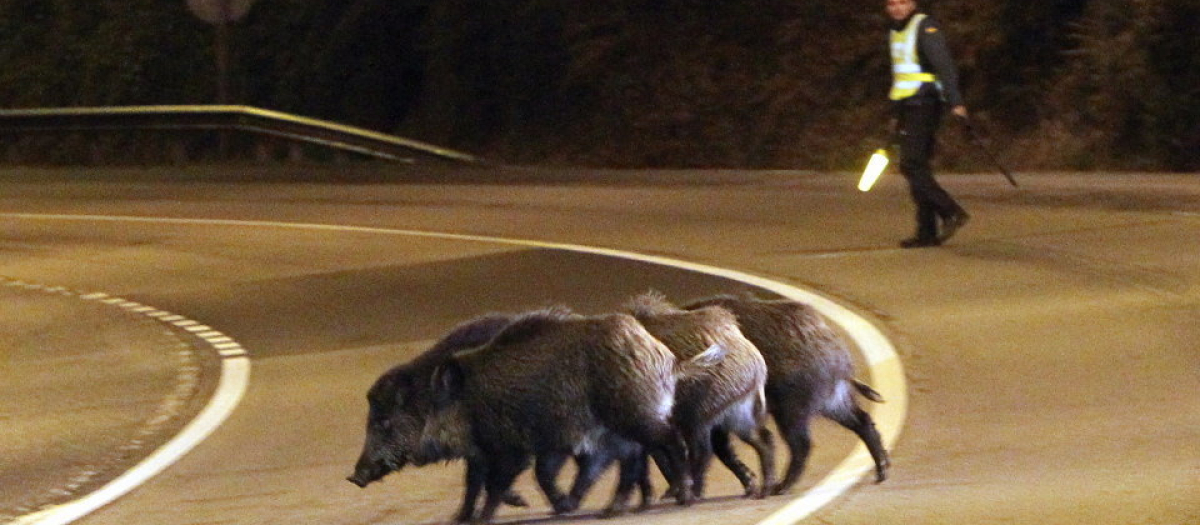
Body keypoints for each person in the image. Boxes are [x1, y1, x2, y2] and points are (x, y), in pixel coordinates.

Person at [885, 0, 970, 248]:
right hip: (906, 104)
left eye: (902, 2)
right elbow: (901, 74)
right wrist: (895, 114)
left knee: (911, 163)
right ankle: (927, 231)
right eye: (891, 3)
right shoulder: (895, 31)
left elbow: (944, 66)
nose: (897, 8)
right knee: (917, 166)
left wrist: (956, 102)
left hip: (924, 103)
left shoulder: (924, 26)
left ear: (913, 3)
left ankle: (951, 211)